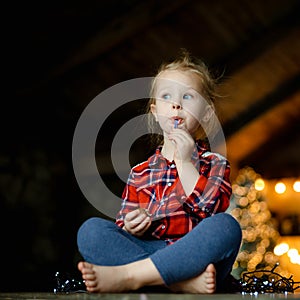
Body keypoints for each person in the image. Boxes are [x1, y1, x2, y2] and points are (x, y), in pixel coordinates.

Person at [76, 50, 242, 294]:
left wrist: (186, 163)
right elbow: (124, 223)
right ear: (155, 112)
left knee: (227, 227)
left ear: (206, 113)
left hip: (196, 257)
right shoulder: (139, 172)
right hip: (149, 251)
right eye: (167, 96)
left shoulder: (215, 163)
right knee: (90, 231)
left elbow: (211, 208)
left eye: (187, 96)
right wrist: (132, 227)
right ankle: (181, 283)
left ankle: (131, 276)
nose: (176, 104)